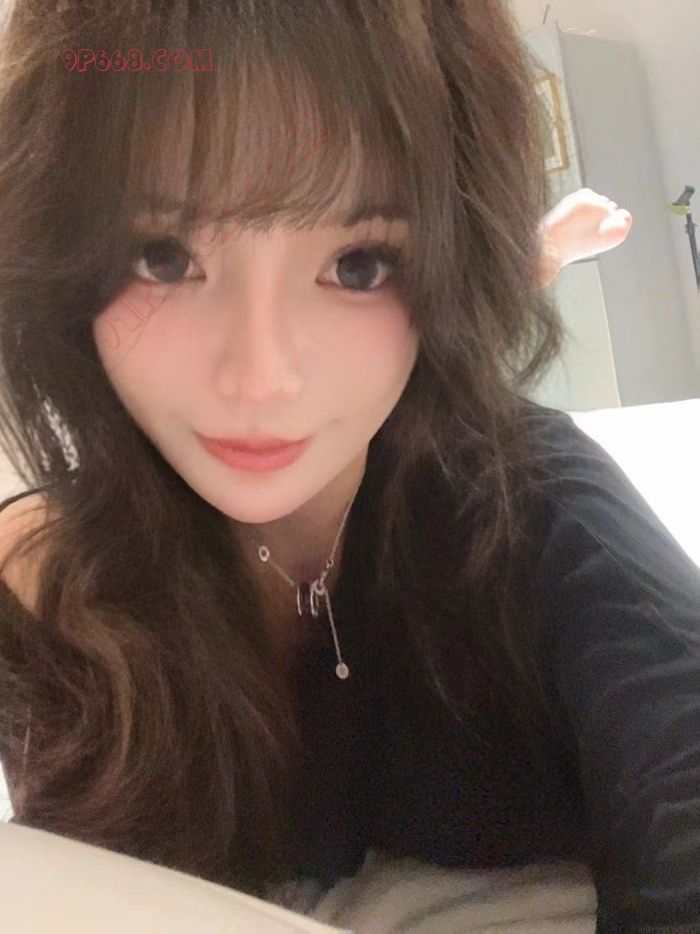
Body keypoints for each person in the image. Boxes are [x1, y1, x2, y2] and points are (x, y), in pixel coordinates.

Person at [0, 2, 696, 931]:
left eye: (359, 264)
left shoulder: (531, 510)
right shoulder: (54, 581)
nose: (260, 378)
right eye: (162, 256)